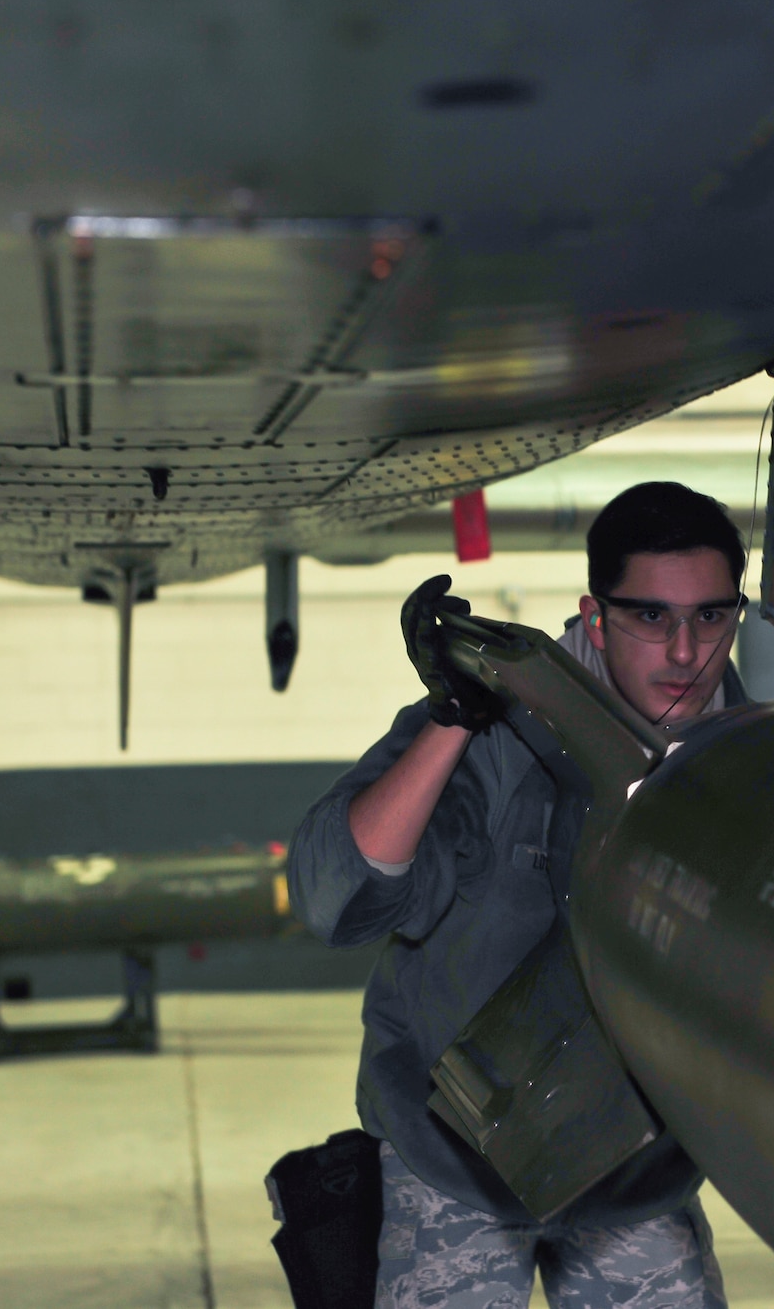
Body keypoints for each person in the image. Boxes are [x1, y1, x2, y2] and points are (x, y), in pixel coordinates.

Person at [289, 481, 749, 1309]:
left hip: (633, 1179)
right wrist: (454, 716)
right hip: (455, 1165)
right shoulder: (497, 730)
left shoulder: (747, 762)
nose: (684, 651)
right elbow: (335, 899)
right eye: (651, 616)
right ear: (596, 615)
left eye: (710, 617)